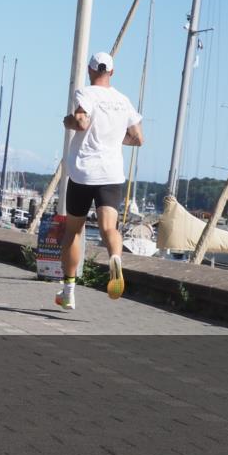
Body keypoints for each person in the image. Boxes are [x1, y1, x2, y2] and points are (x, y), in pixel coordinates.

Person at [55, 51, 143, 311]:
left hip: (84, 173)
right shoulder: (123, 100)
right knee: (109, 229)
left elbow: (81, 121)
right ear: (112, 73)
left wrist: (68, 121)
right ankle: (115, 258)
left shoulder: (86, 93)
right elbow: (138, 137)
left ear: (90, 71)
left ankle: (68, 291)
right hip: (111, 173)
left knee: (73, 231)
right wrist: (117, 140)